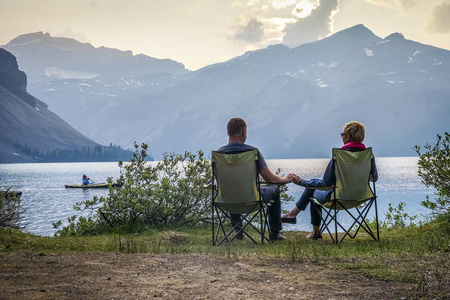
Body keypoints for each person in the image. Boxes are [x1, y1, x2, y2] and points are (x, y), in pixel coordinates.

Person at [281, 121, 378, 239]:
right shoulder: (368, 156)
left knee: (312, 189)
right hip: (361, 198)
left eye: (342, 135)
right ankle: (294, 216)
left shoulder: (339, 156)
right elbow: (374, 178)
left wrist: (301, 182)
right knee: (314, 188)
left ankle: (310, 229)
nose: (342, 137)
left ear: (348, 137)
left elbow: (325, 184)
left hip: (338, 199)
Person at [216, 117, 295, 240]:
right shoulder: (252, 152)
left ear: (228, 132)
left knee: (231, 188)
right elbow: (271, 179)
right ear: (243, 132)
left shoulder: (218, 154)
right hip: (252, 200)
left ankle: (238, 232)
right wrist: (287, 179)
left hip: (226, 202)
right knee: (274, 188)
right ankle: (275, 233)